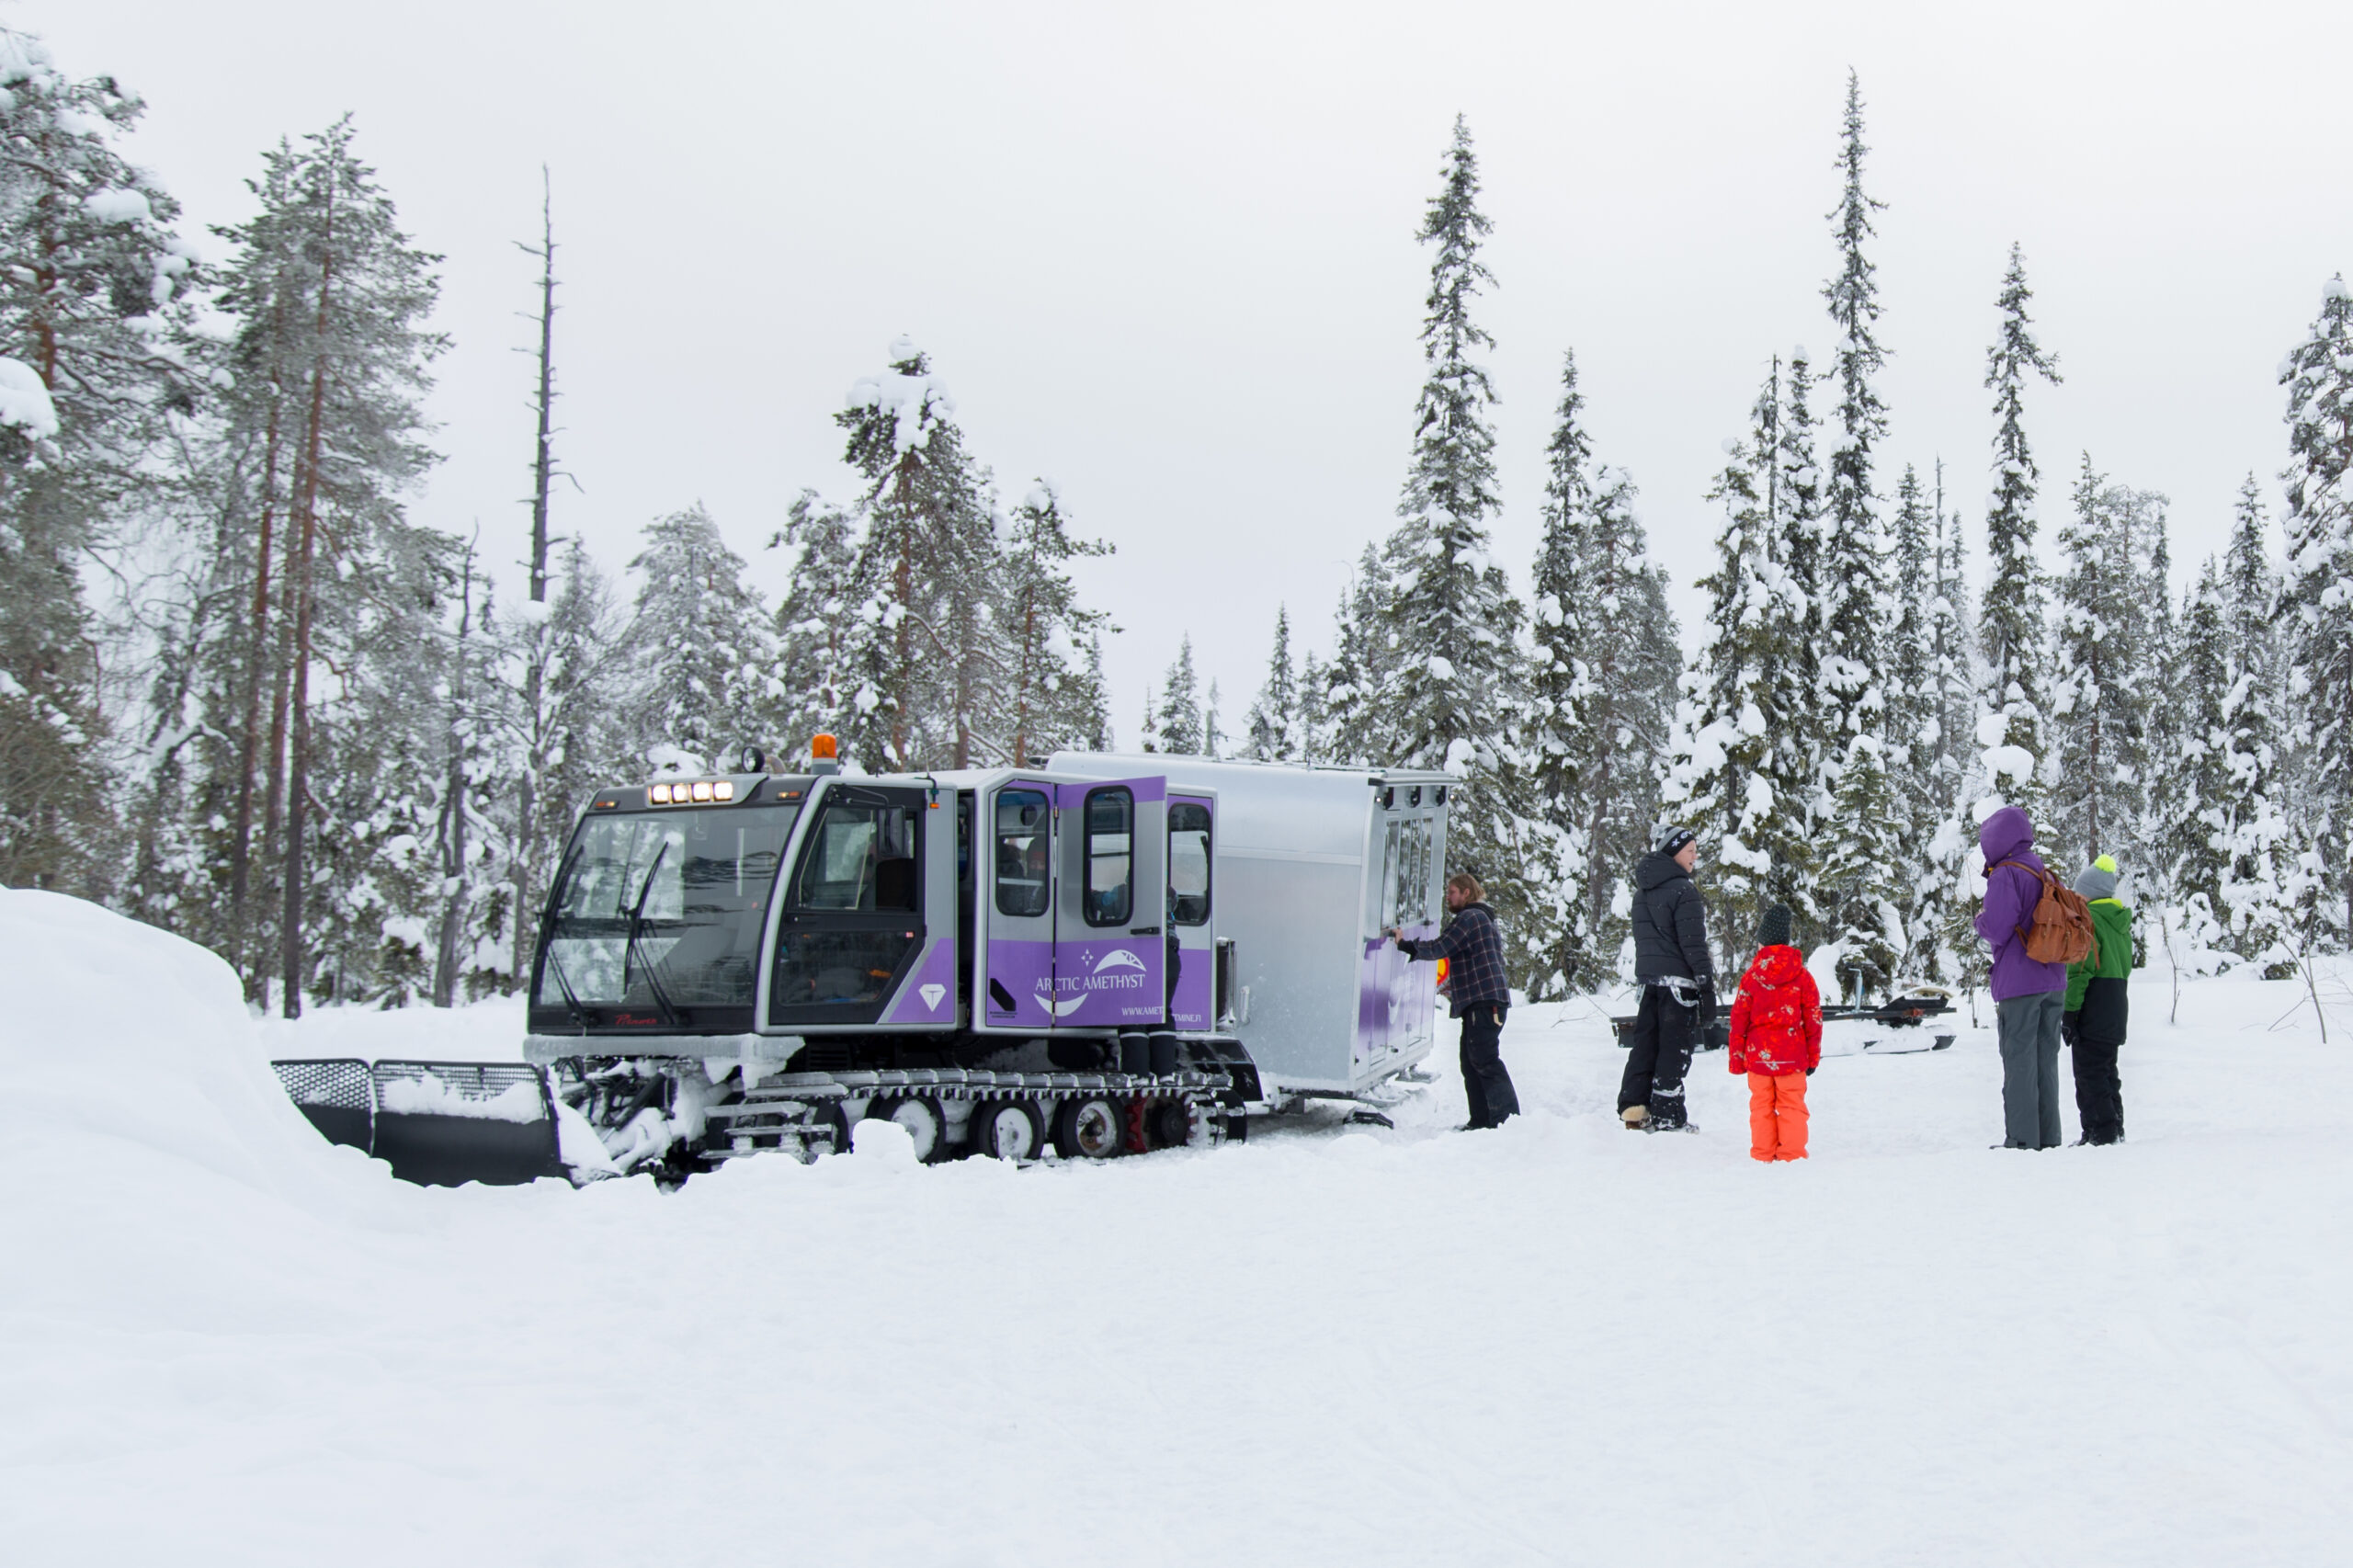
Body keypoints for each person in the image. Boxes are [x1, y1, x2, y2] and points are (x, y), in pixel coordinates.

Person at [1391, 872, 1519, 1131]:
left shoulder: (1470, 917)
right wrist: (1453, 985)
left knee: (1484, 1060)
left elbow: (1442, 946)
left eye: (1452, 892)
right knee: (1470, 1061)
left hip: (1485, 1003)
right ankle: (1482, 1120)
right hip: (1482, 1001)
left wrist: (1406, 945)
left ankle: (1508, 1121)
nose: (1448, 897)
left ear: (1466, 893)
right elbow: (1475, 959)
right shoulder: (1480, 918)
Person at [1973, 805, 2070, 1150]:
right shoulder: (2044, 871)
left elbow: (1998, 928)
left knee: (2019, 1064)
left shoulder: (2006, 874)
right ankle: (2049, 1138)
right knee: (2046, 1063)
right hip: (2053, 980)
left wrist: (1979, 921)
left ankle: (2022, 1141)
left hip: (2019, 984)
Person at [1620, 824, 1714, 1132]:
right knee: (1674, 1050)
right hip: (1679, 987)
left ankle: (1635, 1111)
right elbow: (1693, 944)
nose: (1695, 857)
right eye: (1690, 851)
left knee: (1646, 1045)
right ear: (1674, 852)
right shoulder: (1683, 890)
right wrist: (1706, 985)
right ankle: (1668, 1116)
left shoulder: (1642, 892)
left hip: (1650, 983)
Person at [1727, 903, 1823, 1162]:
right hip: (1792, 1059)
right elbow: (1813, 1020)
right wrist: (1813, 1058)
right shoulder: (1803, 977)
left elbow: (1738, 1022)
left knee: (1761, 1106)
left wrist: (1737, 1060)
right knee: (1792, 1105)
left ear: (1762, 945)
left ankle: (1763, 1153)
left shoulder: (1751, 978)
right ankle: (1792, 1155)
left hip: (1759, 1058)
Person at [2063, 854, 2131, 1145]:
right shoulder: (2119, 924)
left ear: (2088, 894)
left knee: (2088, 1074)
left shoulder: (2089, 922)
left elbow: (2080, 971)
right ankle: (2114, 1128)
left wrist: (2070, 1012)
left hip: (2093, 1007)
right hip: (2116, 1006)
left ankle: (2099, 1133)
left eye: (2078, 894)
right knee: (2107, 1072)